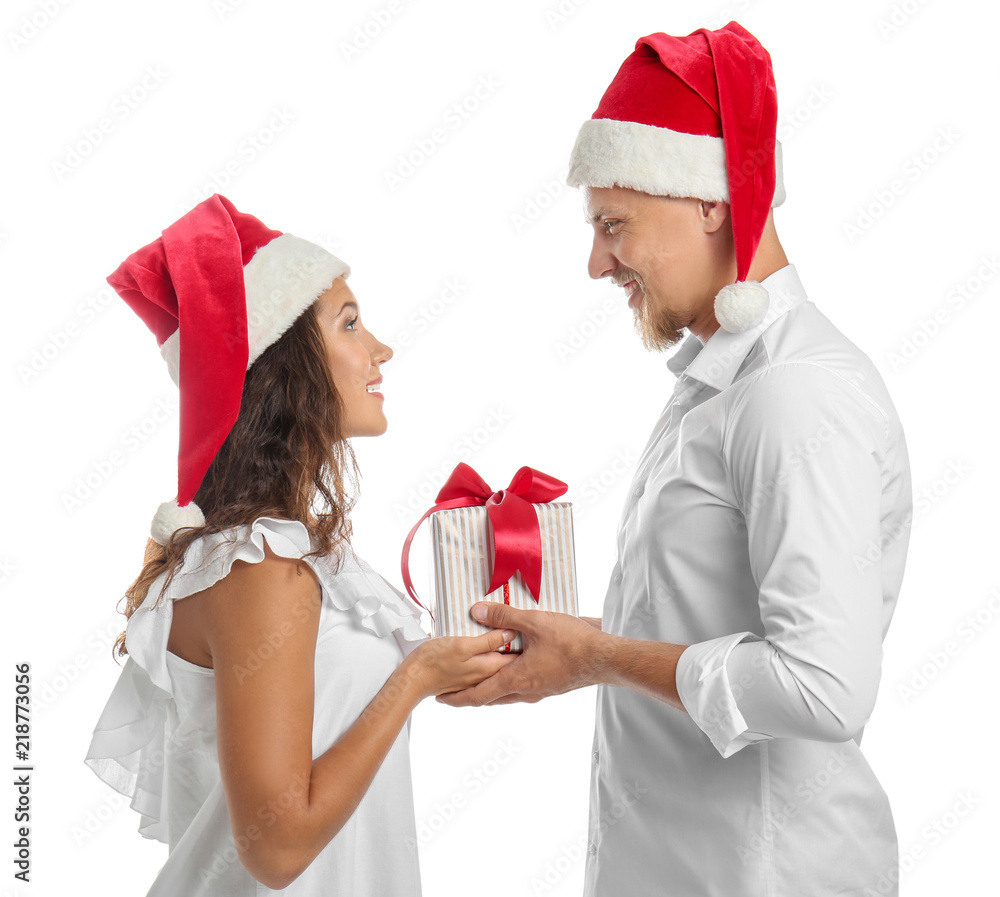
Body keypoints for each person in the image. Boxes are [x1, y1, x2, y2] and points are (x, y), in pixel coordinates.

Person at [438, 22, 914, 897]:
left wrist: (596, 656)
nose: (596, 262)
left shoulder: (793, 392)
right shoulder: (719, 384)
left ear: (710, 200)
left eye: (613, 224)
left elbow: (823, 688)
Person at [83, 193, 517, 896]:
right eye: (349, 323)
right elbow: (278, 848)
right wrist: (414, 679)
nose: (381, 348)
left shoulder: (298, 553)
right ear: (285, 367)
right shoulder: (258, 567)